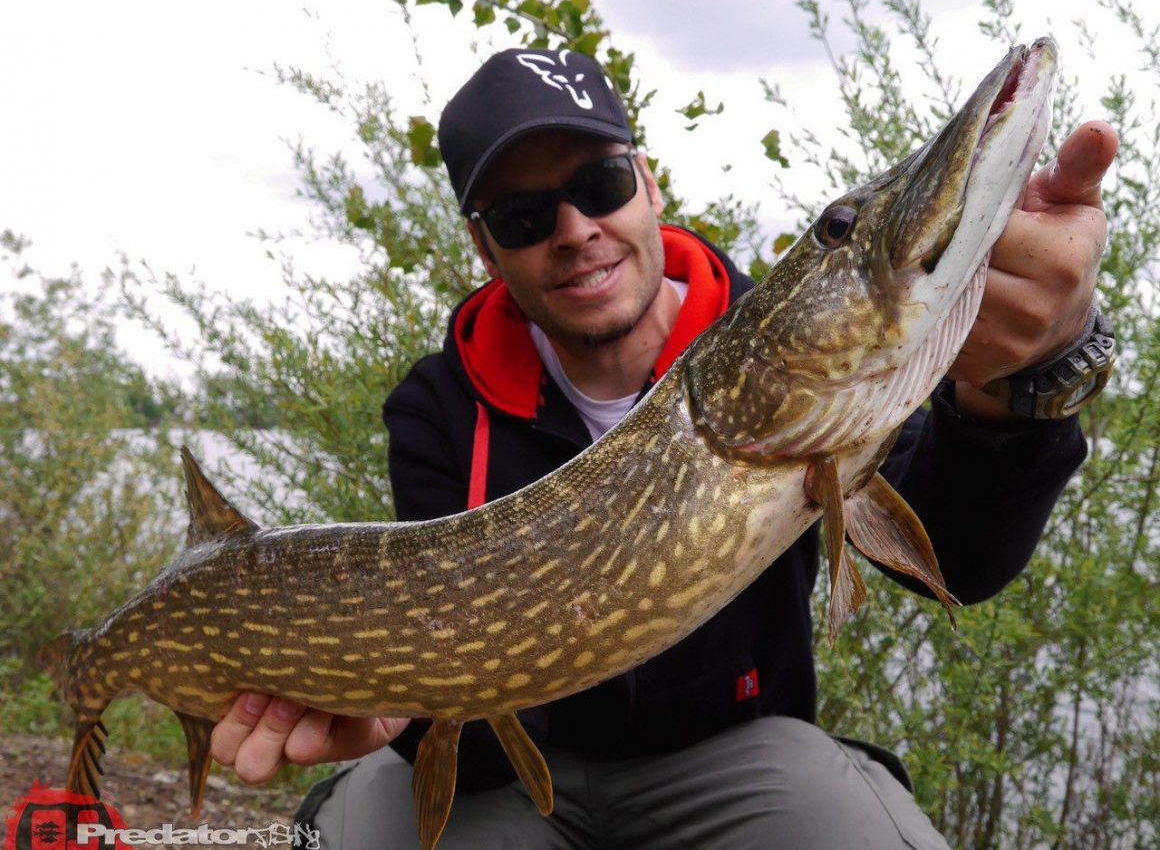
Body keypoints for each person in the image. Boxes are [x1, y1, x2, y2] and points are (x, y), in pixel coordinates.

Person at [210, 47, 1117, 848]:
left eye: (599, 184)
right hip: (523, 769)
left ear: (647, 184)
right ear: (486, 250)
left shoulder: (779, 363)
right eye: (524, 218)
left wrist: (1024, 380)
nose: (575, 230)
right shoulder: (437, 406)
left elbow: (960, 556)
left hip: (736, 751)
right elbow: (460, 677)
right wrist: (397, 712)